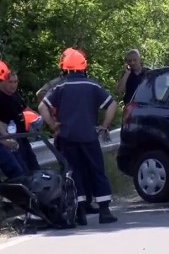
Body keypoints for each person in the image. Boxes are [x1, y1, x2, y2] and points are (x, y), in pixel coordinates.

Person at [38, 47, 118, 225]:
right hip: (89, 136)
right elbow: (112, 105)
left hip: (67, 138)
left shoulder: (60, 86)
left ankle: (80, 212)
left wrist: (52, 124)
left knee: (74, 174)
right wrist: (104, 126)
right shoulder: (93, 86)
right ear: (83, 67)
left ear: (65, 68)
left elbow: (42, 106)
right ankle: (104, 211)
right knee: (97, 171)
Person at [36, 73, 100, 215]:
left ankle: (85, 203)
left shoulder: (70, 82)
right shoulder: (60, 82)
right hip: (65, 133)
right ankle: (76, 205)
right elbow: (40, 94)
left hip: (74, 132)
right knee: (71, 171)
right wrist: (53, 119)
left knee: (83, 170)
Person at [0, 71, 40, 172]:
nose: (13, 85)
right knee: (23, 170)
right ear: (3, 82)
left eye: (15, 82)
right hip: (11, 139)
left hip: (23, 136)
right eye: (10, 82)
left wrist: (37, 118)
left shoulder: (16, 96)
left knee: (34, 167)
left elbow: (26, 109)